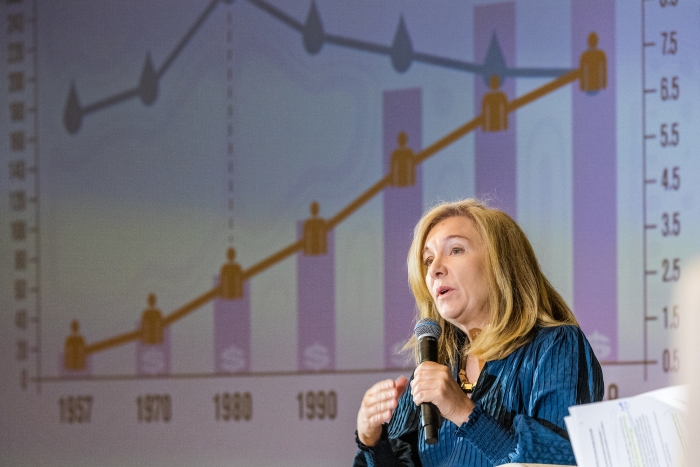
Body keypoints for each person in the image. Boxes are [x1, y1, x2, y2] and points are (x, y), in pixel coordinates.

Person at [354, 199, 603, 466]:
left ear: (501, 264)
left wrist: (463, 411)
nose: (435, 268)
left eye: (456, 249)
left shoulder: (554, 347)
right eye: (428, 259)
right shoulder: (434, 371)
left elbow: (561, 460)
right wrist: (372, 440)